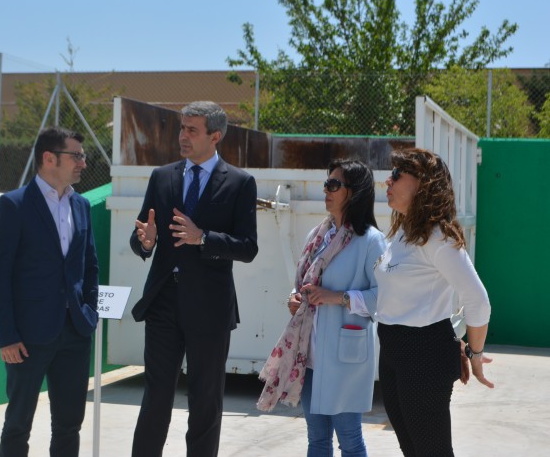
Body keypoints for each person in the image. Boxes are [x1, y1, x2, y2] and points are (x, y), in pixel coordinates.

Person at [130, 101, 258, 457]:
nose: (182, 136)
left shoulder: (240, 183)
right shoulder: (162, 176)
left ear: (214, 136)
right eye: (181, 128)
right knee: (155, 397)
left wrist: (203, 237)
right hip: (162, 304)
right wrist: (146, 241)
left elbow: (248, 247)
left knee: (205, 401)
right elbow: (143, 231)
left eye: (192, 130)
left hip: (209, 309)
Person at [258, 160, 386, 456]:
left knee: (350, 440)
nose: (326, 190)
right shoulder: (319, 236)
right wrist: (295, 298)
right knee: (316, 440)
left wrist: (336, 297)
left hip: (345, 357)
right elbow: (304, 283)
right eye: (326, 183)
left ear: (354, 192)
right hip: (310, 355)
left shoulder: (371, 242)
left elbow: (383, 300)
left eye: (334, 185)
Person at [0, 127, 99, 457]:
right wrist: (6, 336)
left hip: (76, 332)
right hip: (27, 337)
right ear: (49, 158)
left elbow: (90, 265)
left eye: (83, 155)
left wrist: (88, 312)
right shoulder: (14, 205)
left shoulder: (81, 205)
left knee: (69, 424)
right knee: (18, 423)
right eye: (76, 155)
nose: (83, 162)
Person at [375, 148, 493, 456]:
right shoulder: (402, 232)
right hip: (393, 350)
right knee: (413, 450)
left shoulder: (436, 236)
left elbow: (478, 301)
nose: (388, 180)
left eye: (398, 174)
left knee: (432, 451)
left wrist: (475, 352)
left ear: (422, 184)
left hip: (423, 355)